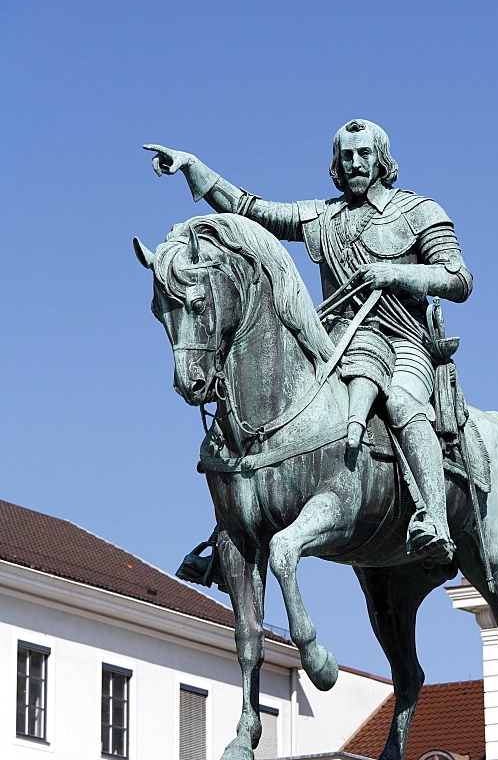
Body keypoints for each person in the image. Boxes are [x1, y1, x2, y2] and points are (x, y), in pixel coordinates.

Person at [144, 119, 472, 564]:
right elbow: (251, 210)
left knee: (402, 403)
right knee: (262, 406)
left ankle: (434, 519)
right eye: (346, 156)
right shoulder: (323, 218)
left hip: (403, 343)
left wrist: (394, 273)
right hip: (336, 341)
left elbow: (458, 277)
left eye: (363, 154)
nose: (354, 163)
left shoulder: (418, 211)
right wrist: (194, 168)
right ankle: (230, 535)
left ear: (381, 159)